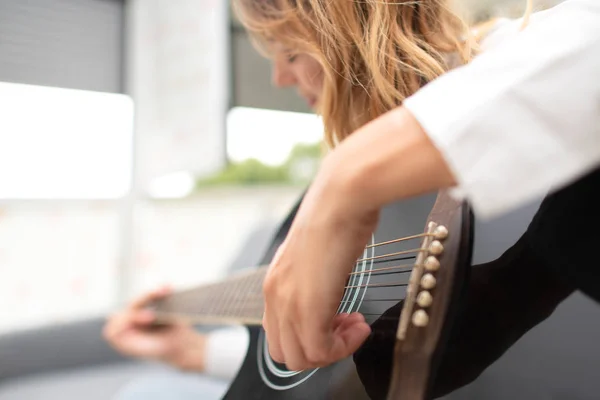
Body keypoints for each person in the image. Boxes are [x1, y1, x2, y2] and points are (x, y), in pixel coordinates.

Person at [253, 0, 600, 374]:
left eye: (288, 53)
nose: (278, 79)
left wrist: (344, 179)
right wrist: (199, 352)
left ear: (345, 34)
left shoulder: (508, 53)